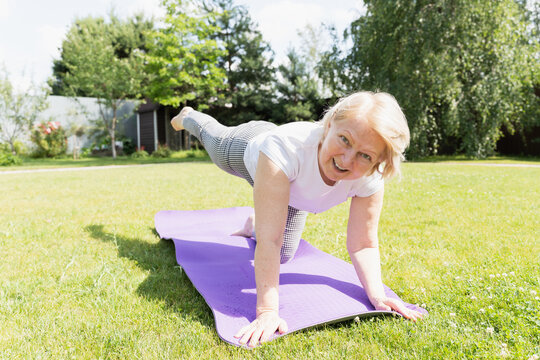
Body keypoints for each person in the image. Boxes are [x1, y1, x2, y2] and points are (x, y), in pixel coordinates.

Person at [170, 91, 424, 347]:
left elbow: (363, 244)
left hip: (290, 188)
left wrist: (378, 295)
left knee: (284, 255)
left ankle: (255, 222)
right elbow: (269, 240)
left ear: (378, 161)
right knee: (215, 141)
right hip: (249, 148)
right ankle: (191, 117)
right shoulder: (286, 149)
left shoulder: (370, 177)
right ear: (330, 123)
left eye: (365, 155)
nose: (347, 159)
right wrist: (267, 312)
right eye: (344, 140)